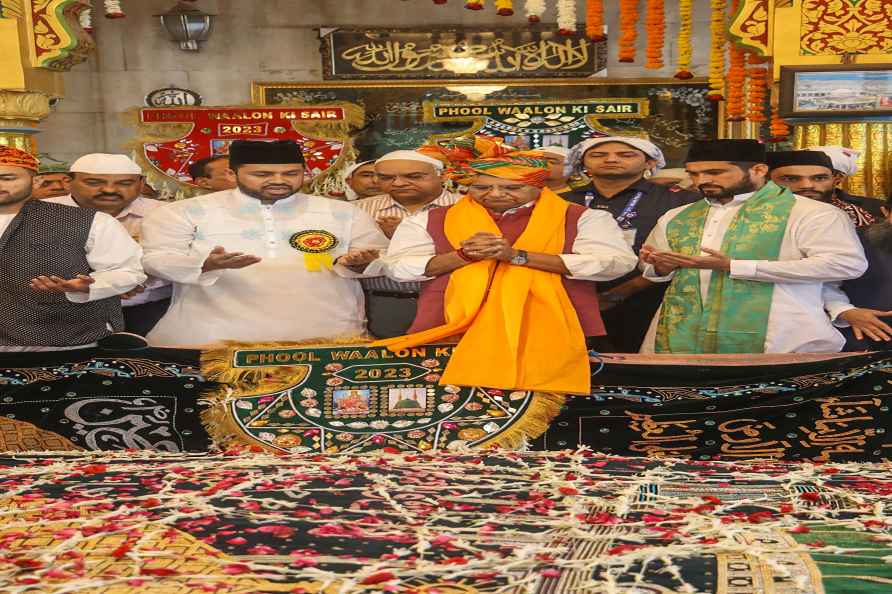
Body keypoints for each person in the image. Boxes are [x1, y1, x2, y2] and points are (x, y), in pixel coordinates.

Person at [379, 136, 637, 394]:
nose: (495, 194)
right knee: (456, 404)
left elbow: (615, 263)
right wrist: (464, 256)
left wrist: (518, 256)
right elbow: (398, 268)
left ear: (539, 186)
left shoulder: (585, 218)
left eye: (511, 187)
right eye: (481, 188)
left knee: (544, 406)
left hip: (547, 333)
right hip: (450, 327)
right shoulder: (427, 220)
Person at [141, 140, 388, 346]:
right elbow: (156, 260)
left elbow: (379, 258)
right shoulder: (185, 212)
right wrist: (202, 265)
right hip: (213, 337)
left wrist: (362, 263)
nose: (278, 180)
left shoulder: (343, 213)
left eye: (291, 174)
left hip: (325, 335)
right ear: (232, 173)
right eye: (262, 174)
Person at [639, 139, 867, 354]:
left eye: (714, 172)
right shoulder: (677, 217)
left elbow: (845, 265)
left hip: (782, 342)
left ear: (759, 170)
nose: (701, 181)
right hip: (682, 340)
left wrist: (736, 266)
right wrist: (660, 267)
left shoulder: (812, 213)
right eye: (694, 173)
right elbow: (653, 269)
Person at [0, 146, 145, 351]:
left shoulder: (88, 220)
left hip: (62, 339)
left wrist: (89, 286)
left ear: (35, 181)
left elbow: (127, 270)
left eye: (7, 178)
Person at [562, 136, 699, 352]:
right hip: (571, 299)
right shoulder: (560, 200)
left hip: (651, 298)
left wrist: (620, 293)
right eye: (598, 155)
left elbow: (685, 253)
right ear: (582, 163)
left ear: (650, 163)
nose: (611, 160)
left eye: (626, 155)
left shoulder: (681, 201)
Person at [46, 153, 172, 336]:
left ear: (141, 183)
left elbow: (180, 259)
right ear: (67, 181)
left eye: (124, 183)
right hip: (60, 314)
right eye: (94, 183)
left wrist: (132, 282)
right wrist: (107, 285)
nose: (109, 190)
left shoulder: (166, 214)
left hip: (150, 311)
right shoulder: (38, 214)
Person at [354, 150, 459, 338]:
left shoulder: (467, 207)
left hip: (455, 300)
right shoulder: (358, 210)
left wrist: (404, 238)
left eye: (414, 176)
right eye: (386, 177)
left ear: (442, 175)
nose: (399, 183)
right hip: (383, 303)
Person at [823, 199, 892, 351]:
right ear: (886, 212)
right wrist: (844, 311)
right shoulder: (853, 239)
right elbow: (824, 283)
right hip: (863, 337)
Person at [769, 149, 879, 228]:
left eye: (819, 178)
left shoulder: (857, 216)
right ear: (767, 182)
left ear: (835, 179)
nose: (807, 185)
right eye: (791, 179)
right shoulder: (755, 217)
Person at [811, 145, 885, 225]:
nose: (805, 184)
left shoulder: (876, 208)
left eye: (818, 177)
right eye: (796, 178)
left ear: (838, 177)